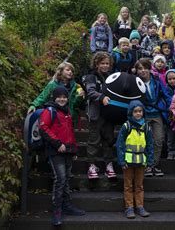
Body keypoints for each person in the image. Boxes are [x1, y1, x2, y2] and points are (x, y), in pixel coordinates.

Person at [39, 86, 85, 226]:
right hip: (55, 151)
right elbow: (43, 128)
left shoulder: (67, 112)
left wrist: (74, 150)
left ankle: (67, 205)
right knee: (60, 179)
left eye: (64, 97)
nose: (62, 99)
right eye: (59, 97)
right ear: (54, 98)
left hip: (68, 150)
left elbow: (70, 132)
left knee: (66, 179)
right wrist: (57, 143)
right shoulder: (49, 110)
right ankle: (57, 210)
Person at [116, 100, 154, 219]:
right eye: (135, 111)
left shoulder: (146, 126)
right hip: (128, 161)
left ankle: (140, 206)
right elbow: (120, 144)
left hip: (141, 161)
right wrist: (122, 160)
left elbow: (150, 144)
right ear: (131, 113)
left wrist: (150, 160)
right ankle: (129, 207)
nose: (138, 114)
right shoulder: (126, 126)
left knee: (139, 185)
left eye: (140, 111)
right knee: (128, 185)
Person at [134, 58, 172, 177]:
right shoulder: (135, 81)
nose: (143, 71)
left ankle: (153, 164)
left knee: (159, 139)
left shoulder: (156, 79)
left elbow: (166, 94)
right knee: (144, 140)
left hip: (157, 112)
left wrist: (172, 108)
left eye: (145, 68)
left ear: (150, 69)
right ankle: (146, 165)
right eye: (140, 68)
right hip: (143, 114)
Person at [83, 52, 117, 179]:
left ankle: (109, 164)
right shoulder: (91, 77)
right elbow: (90, 92)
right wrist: (101, 97)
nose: (105, 66)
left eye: (107, 63)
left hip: (109, 114)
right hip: (95, 114)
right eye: (102, 63)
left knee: (109, 140)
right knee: (94, 140)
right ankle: (91, 165)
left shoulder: (111, 77)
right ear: (96, 64)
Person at [28, 62, 85, 129]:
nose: (70, 72)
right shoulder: (52, 84)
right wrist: (33, 105)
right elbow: (43, 96)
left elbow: (75, 104)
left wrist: (79, 97)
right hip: (55, 116)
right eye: (67, 70)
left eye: (72, 71)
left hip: (69, 117)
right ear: (60, 71)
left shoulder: (76, 86)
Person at [164, 69, 175, 161]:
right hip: (170, 117)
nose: (172, 81)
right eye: (169, 79)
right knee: (170, 136)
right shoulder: (166, 90)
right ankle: (171, 151)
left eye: (174, 78)